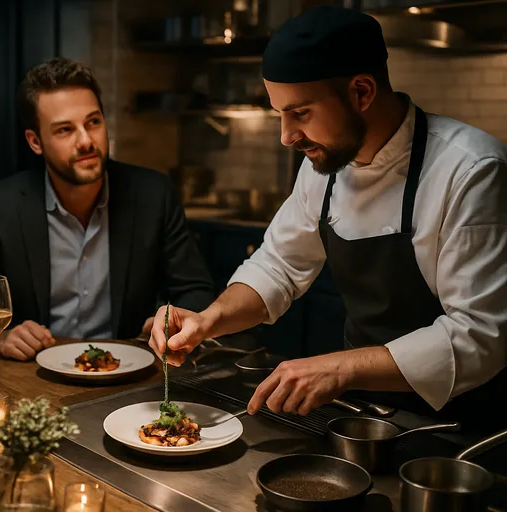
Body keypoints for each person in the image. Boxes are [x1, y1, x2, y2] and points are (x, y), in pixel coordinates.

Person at [149, 6, 507, 431]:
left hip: (462, 429)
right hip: (367, 417)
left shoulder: (471, 170)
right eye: (279, 113)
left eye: (300, 113)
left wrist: (340, 367)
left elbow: (480, 336)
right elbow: (278, 265)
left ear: (361, 92)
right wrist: (209, 321)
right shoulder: (324, 164)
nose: (286, 136)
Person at [0, 57, 215, 361]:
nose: (86, 141)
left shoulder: (153, 194)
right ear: (35, 142)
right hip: (36, 378)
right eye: (64, 130)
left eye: (93, 122)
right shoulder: (0, 206)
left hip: (128, 372)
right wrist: (3, 338)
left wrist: (173, 320)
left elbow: (197, 292)